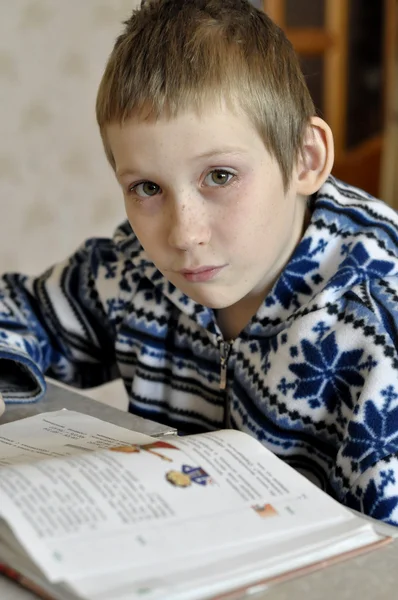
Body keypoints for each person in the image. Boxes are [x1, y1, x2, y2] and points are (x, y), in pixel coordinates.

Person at [0, 0, 398, 525]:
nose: (184, 234)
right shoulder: (134, 272)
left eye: (221, 176)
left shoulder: (376, 322)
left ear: (305, 158)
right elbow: (22, 309)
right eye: (147, 187)